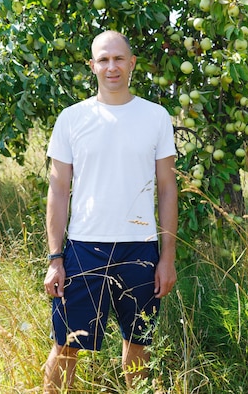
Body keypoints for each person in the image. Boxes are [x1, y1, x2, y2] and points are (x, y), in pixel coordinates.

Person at [42, 30, 178, 392]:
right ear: (92, 66)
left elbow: (167, 188)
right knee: (67, 346)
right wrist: (56, 258)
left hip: (140, 249)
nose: (111, 66)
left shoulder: (156, 116)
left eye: (119, 58)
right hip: (85, 249)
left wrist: (168, 257)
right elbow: (58, 190)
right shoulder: (72, 118)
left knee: (138, 346)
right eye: (103, 59)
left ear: (132, 63)